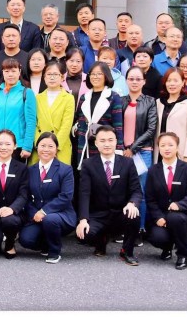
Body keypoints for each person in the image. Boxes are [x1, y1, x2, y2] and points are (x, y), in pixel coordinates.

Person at [75, 125, 142, 265]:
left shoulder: (128, 163)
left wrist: (132, 203)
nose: (107, 144)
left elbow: (136, 190)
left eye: (110, 140)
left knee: (134, 215)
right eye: (102, 140)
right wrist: (83, 220)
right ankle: (101, 240)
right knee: (84, 235)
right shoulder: (88, 164)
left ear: (116, 141)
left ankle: (127, 251)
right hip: (98, 214)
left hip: (120, 213)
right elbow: (84, 194)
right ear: (96, 143)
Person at [144, 132, 187, 270]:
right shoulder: (153, 170)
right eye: (162, 145)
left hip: (183, 215)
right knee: (157, 237)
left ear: (177, 147)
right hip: (161, 216)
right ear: (158, 148)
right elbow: (150, 198)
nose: (166, 148)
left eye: (170, 145)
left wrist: (179, 205)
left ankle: (183, 254)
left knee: (175, 218)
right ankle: (167, 247)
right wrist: (158, 217)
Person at [17, 132, 76, 263]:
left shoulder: (65, 170)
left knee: (50, 220)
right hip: (36, 214)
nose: (46, 149)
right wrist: (34, 213)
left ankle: (54, 251)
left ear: (56, 149)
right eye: (42, 146)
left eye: (50, 146)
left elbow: (66, 196)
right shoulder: (30, 170)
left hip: (61, 214)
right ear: (37, 148)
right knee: (25, 240)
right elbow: (26, 196)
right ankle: (46, 244)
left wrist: (44, 212)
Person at [122, 65, 158, 240]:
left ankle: (139, 229)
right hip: (122, 152)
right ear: (126, 81)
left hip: (142, 152)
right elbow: (116, 126)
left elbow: (151, 129)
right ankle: (125, 228)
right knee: (123, 191)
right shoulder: (120, 100)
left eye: (138, 79)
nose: (134, 82)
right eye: (131, 79)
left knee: (140, 192)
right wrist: (123, 148)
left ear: (144, 81)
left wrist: (133, 148)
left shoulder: (150, 101)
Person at [0, 130, 29, 258]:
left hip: (13, 214)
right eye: (0, 144)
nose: (3, 147)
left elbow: (23, 194)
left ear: (15, 146)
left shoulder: (22, 168)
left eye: (8, 144)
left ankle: (10, 243)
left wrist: (12, 209)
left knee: (9, 221)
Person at [73, 62, 124, 170]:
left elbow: (118, 126)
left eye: (99, 74)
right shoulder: (84, 97)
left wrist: (119, 149)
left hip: (104, 146)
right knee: (85, 176)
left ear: (106, 76)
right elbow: (78, 118)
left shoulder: (113, 97)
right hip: (84, 146)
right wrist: (78, 129)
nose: (95, 77)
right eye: (93, 74)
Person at [0, 58, 38, 163]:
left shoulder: (26, 93)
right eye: (7, 71)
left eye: (13, 71)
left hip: (17, 145)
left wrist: (27, 146)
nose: (10, 74)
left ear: (19, 72)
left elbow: (31, 121)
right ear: (2, 72)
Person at [31, 60, 75, 166]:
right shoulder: (37, 98)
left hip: (60, 147)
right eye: (49, 74)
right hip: (40, 148)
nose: (52, 77)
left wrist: (54, 147)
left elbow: (66, 125)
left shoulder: (68, 98)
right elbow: (34, 123)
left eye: (55, 74)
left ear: (62, 77)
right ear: (44, 77)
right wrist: (40, 145)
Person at [155, 68, 187, 163]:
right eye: (169, 80)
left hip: (180, 153)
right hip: (159, 153)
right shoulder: (158, 103)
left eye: (175, 80)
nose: (172, 84)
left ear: (183, 83)